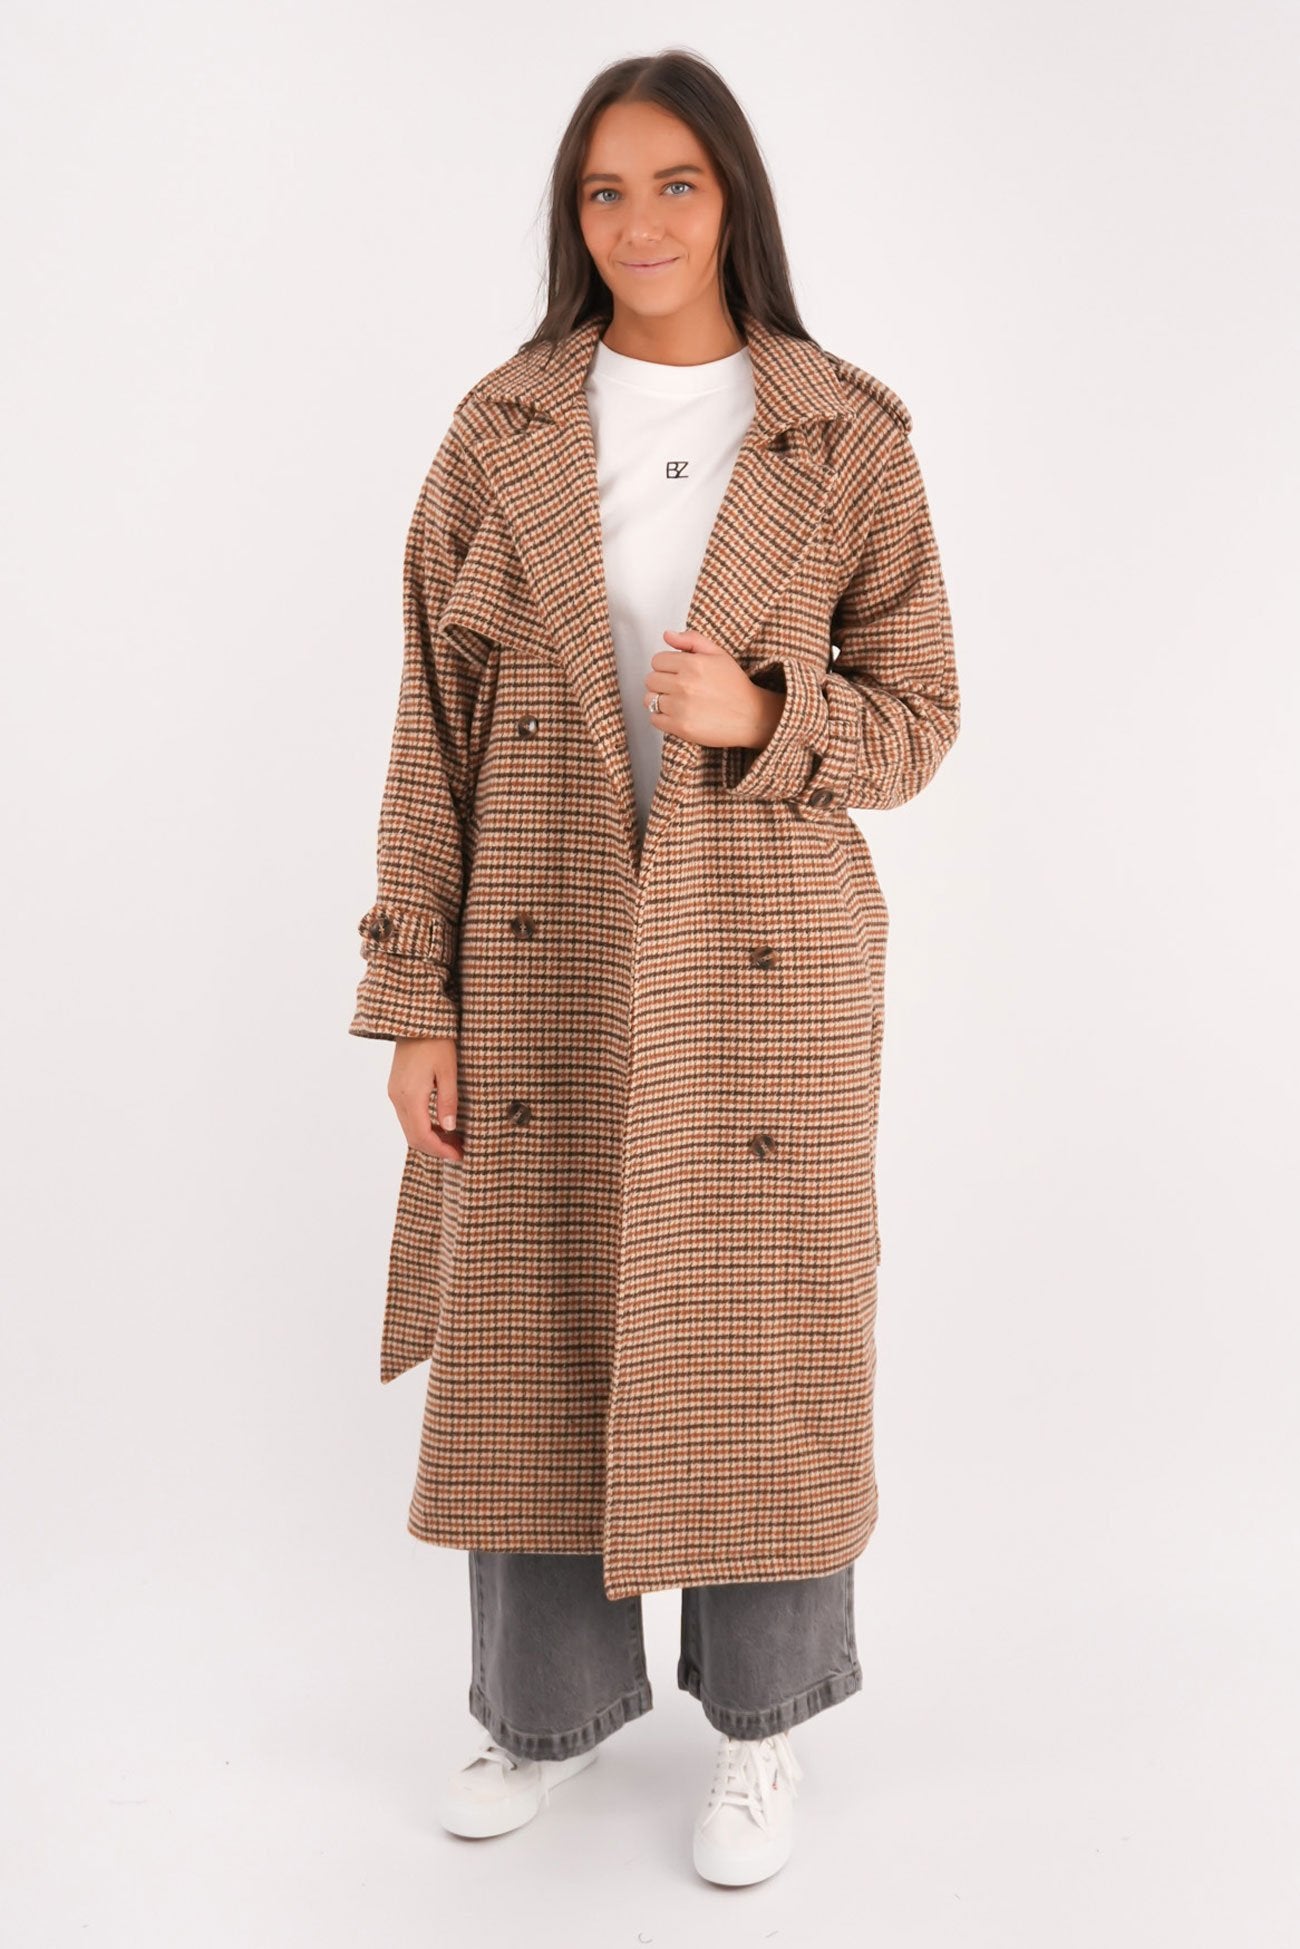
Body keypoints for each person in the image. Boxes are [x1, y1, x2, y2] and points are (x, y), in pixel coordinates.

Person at [350, 49, 960, 1888]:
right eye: (604, 191)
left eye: (676, 184)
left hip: (764, 957)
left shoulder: (842, 433)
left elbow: (925, 715)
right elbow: (429, 727)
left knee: (764, 1322)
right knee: (534, 1317)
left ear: (734, 199)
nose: (639, 222)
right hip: (538, 934)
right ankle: (536, 1713)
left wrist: (767, 712)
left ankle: (763, 1730)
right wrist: (416, 1000)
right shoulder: (503, 428)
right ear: (575, 215)